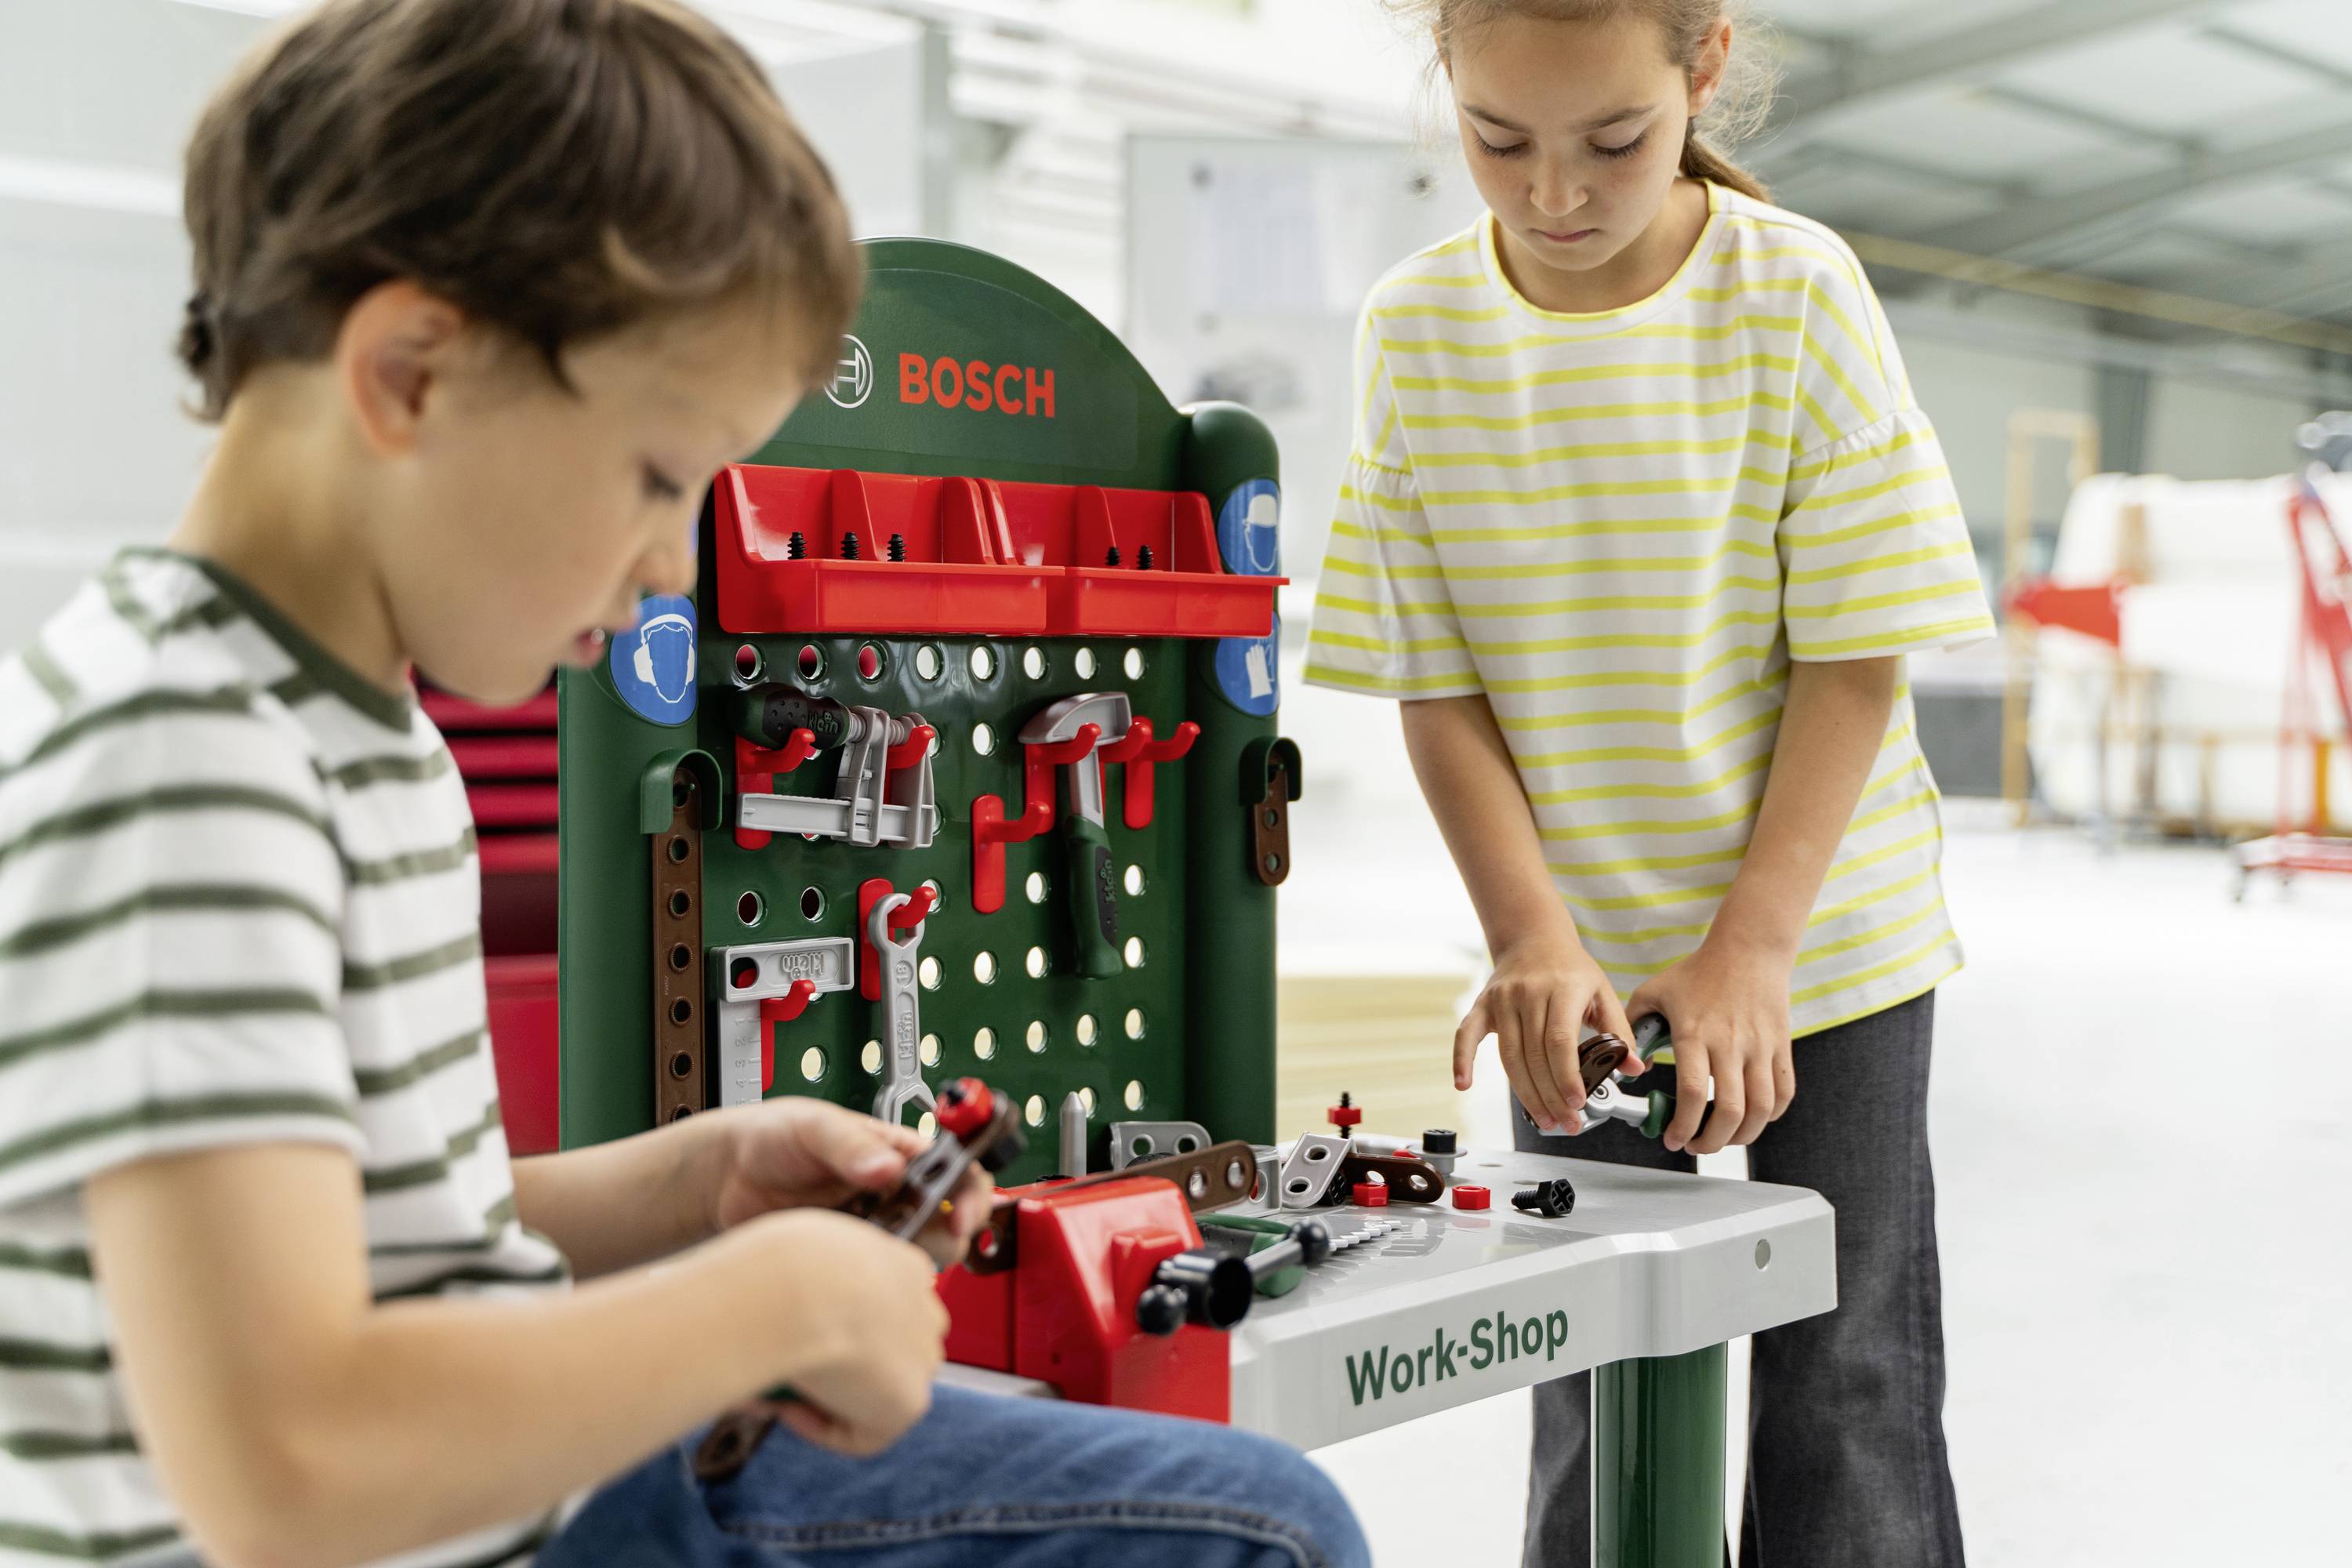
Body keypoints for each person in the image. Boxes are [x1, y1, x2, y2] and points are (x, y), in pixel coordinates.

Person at [0, 3, 1368, 1566]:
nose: (675, 560)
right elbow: (287, 1463)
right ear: (410, 373)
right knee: (1260, 1540)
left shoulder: (349, 725)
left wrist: (692, 1178)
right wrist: (759, 1310)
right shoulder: (186, 768)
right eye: (661, 478)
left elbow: (383, 1227)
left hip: (529, 1499)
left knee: (1260, 1516)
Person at [1304, 2, 1989, 1564]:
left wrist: (1758, 947)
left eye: (1612, 141)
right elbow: (1438, 677)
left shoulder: (1794, 292)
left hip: (1827, 935)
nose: (1553, 193)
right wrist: (1528, 934)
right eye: (1497, 141)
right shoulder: (1417, 330)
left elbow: (1858, 655)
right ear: (1449, 92)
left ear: (1701, 70)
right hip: (1580, 959)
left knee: (1847, 1373)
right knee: (1592, 1367)